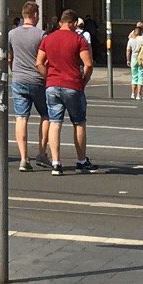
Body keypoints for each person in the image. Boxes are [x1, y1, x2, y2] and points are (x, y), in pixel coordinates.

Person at [36, 9, 95, 174]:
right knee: (79, 122)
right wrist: (84, 80)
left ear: (61, 22)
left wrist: (48, 77)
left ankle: (56, 163)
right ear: (74, 23)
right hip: (73, 84)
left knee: (55, 122)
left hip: (52, 86)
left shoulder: (48, 38)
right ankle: (81, 161)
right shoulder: (79, 39)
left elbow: (39, 62)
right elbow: (88, 64)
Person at [4, 0, 47, 171]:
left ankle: (23, 158)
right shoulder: (42, 35)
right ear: (35, 15)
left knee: (21, 118)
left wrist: (13, 70)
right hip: (37, 80)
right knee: (46, 115)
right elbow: (45, 60)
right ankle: (42, 153)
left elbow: (9, 57)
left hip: (18, 79)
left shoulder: (12, 34)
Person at [127, 22, 143, 101]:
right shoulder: (142, 39)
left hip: (133, 58)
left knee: (134, 76)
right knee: (141, 76)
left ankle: (132, 93)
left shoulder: (130, 40)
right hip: (141, 58)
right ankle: (139, 94)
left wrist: (128, 60)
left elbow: (128, 51)